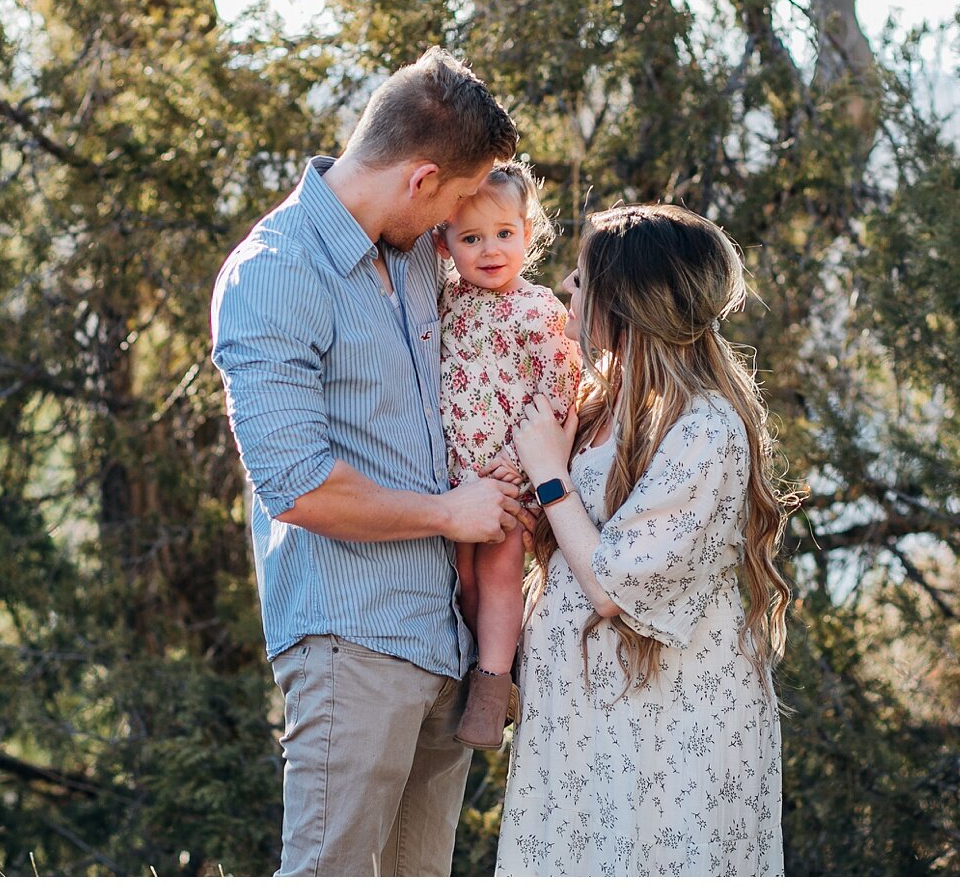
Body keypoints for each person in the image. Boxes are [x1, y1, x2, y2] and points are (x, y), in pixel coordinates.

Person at [209, 47, 522, 877]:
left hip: (443, 650)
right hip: (350, 643)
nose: (456, 227)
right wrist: (450, 513)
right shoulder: (275, 274)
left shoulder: (420, 256)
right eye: (456, 203)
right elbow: (299, 486)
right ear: (422, 180)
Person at [497, 203, 793, 876]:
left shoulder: (706, 429)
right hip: (584, 727)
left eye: (581, 277)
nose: (569, 289)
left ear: (626, 301)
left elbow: (612, 587)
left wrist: (549, 475)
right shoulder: (597, 404)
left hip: (665, 732)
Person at [433, 161, 581, 750]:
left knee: (497, 575)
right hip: (450, 477)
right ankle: (497, 668)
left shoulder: (539, 310)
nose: (489, 250)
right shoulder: (446, 302)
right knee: (463, 577)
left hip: (505, 473)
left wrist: (527, 469)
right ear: (444, 243)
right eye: (470, 238)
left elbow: (563, 392)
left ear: (527, 231)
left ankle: (490, 695)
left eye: (504, 234)